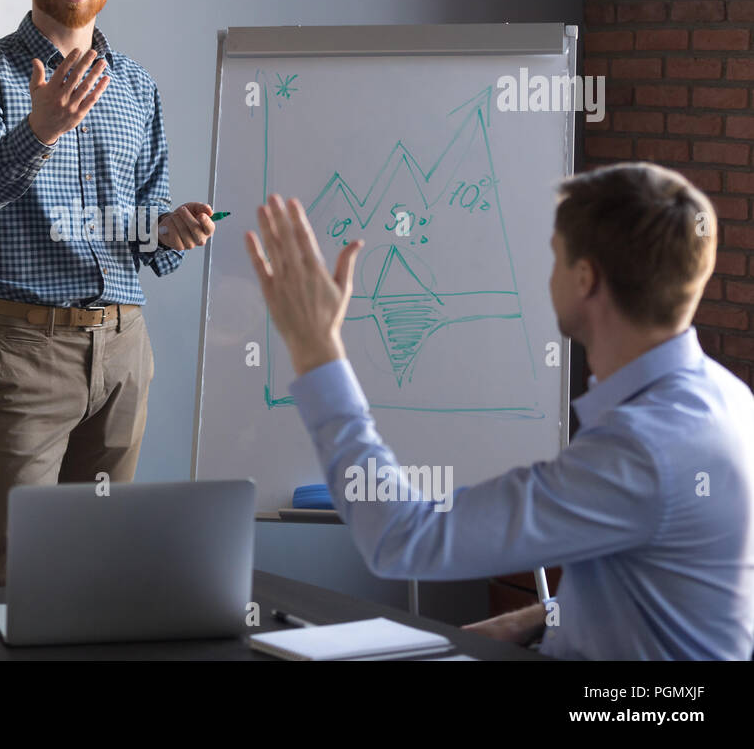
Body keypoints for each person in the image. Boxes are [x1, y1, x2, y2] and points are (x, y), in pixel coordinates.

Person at [245, 163, 754, 660]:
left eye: (555, 257)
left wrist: (317, 349)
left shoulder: (638, 449)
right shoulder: (729, 401)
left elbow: (402, 538)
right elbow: (666, 583)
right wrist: (540, 616)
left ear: (585, 279)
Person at [0, 0, 215, 586]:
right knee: (20, 573)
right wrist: (41, 129)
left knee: (103, 568)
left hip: (125, 350)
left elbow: (143, 228)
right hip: (28, 349)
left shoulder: (137, 86)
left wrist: (170, 231)